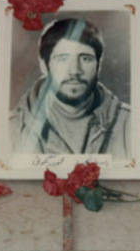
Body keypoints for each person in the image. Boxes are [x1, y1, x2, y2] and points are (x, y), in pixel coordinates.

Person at [10, 18, 131, 158]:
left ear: (99, 64)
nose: (74, 71)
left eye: (85, 59)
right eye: (63, 59)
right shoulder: (11, 127)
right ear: (44, 65)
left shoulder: (129, 123)